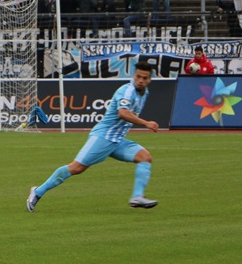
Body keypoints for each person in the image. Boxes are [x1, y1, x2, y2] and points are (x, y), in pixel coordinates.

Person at [27, 62, 159, 212]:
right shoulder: (127, 91)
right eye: (138, 76)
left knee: (145, 157)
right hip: (103, 137)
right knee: (76, 168)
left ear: (150, 79)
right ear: (133, 76)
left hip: (117, 140)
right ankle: (37, 192)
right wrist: (146, 123)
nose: (140, 80)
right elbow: (122, 113)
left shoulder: (145, 93)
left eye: (144, 77)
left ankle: (137, 197)